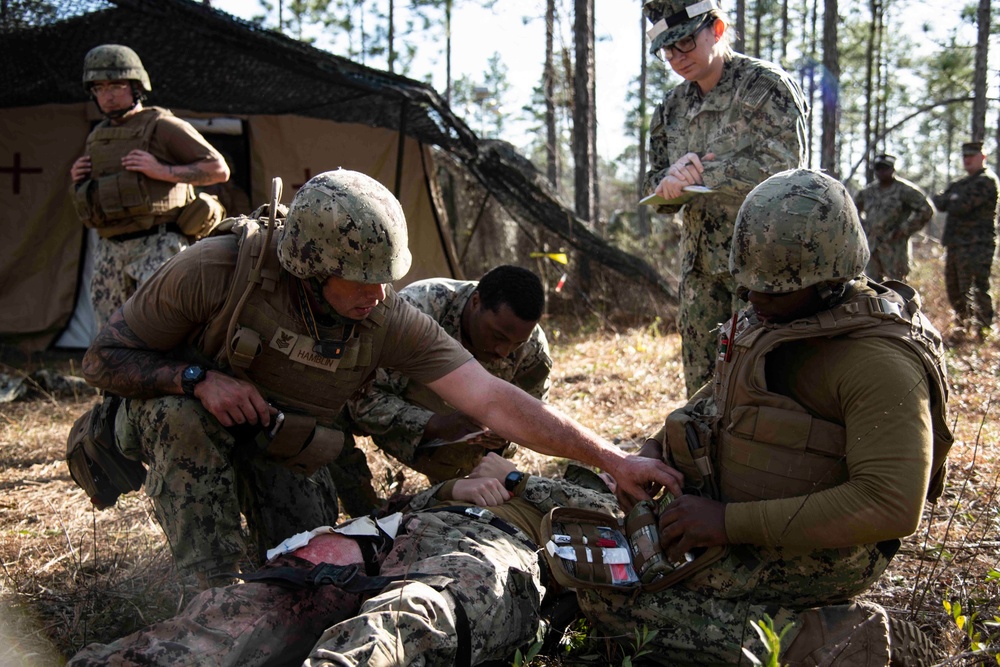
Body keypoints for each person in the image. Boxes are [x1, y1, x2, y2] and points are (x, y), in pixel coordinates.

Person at [80, 168, 677, 588]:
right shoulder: (216, 269)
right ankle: (204, 590)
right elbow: (102, 358)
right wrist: (195, 378)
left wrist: (613, 461)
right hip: (179, 414)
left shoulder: (385, 316)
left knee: (310, 573)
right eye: (362, 281)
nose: (378, 295)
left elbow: (493, 397)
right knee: (185, 422)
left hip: (277, 439)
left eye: (385, 279)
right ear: (311, 267)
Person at [583, 169, 953, 664]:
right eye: (749, 285)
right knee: (581, 538)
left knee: (612, 602)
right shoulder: (774, 313)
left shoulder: (879, 360)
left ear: (831, 277)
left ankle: (835, 642)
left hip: (820, 549)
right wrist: (655, 449)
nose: (755, 299)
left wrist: (728, 523)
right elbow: (717, 397)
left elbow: (889, 504)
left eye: (774, 290)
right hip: (736, 513)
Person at [67, 454, 621, 667]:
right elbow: (419, 500)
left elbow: (604, 537)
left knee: (416, 613)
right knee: (280, 595)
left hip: (496, 549)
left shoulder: (601, 504)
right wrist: (461, 484)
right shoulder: (500, 473)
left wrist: (516, 479)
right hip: (406, 530)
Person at [642, 0, 807, 397]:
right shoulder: (672, 107)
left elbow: (788, 168)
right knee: (702, 387)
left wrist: (706, 172)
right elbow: (655, 185)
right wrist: (669, 184)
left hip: (763, 267)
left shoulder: (764, 85)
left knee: (764, 383)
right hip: (700, 271)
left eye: (684, 44)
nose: (677, 58)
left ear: (716, 29)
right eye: (667, 50)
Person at [339, 264, 552, 514]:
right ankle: (367, 511)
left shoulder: (533, 350)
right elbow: (361, 401)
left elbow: (531, 419)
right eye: (498, 336)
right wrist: (434, 424)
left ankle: (451, 498)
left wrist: (504, 434)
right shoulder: (417, 311)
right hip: (400, 416)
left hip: (464, 444)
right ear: (475, 302)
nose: (504, 351)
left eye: (516, 343)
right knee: (327, 420)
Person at [70, 44, 230, 331]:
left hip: (157, 244)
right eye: (99, 87)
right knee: (109, 338)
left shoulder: (162, 125)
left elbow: (218, 170)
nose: (107, 95)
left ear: (136, 86)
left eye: (116, 85)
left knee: (164, 331)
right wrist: (80, 177)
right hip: (110, 248)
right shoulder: (98, 135)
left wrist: (162, 171)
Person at [932, 140, 1000, 339]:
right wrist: (952, 198)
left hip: (977, 245)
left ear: (983, 157)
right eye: (965, 156)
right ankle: (962, 327)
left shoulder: (986, 181)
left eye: (972, 156)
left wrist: (952, 198)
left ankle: (983, 332)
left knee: (976, 288)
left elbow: (961, 205)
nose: (967, 160)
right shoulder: (962, 183)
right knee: (955, 289)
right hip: (955, 245)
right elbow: (940, 201)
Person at [852, 153, 935, 281]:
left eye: (885, 168)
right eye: (878, 168)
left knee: (898, 289)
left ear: (893, 169)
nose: (881, 172)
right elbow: (851, 210)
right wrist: (863, 228)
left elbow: (926, 210)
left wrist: (905, 229)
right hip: (872, 249)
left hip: (895, 249)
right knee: (872, 288)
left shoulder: (904, 190)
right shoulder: (868, 192)